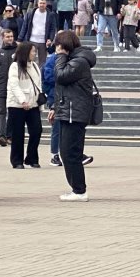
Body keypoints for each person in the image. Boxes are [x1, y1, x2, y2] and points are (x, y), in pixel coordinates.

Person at [51, 29, 97, 202]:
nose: (56, 49)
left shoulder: (79, 62)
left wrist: (60, 56)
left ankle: (79, 190)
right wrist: (55, 108)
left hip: (74, 113)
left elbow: (60, 76)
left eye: (58, 45)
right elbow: (61, 88)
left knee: (70, 153)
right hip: (68, 110)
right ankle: (77, 188)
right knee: (66, 152)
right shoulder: (74, 60)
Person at [4, 41, 46, 169]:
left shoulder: (34, 66)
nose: (35, 53)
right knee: (18, 133)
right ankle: (17, 160)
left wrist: (40, 104)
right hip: (17, 105)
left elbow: (38, 85)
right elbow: (14, 85)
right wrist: (22, 100)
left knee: (37, 130)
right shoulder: (15, 67)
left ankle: (32, 157)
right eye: (33, 51)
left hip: (32, 104)